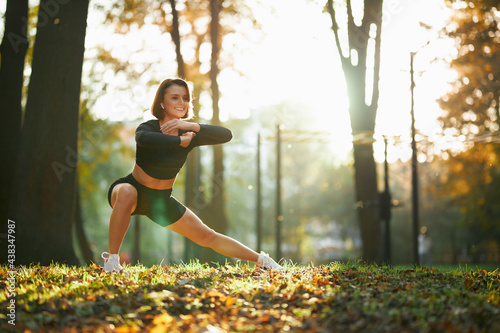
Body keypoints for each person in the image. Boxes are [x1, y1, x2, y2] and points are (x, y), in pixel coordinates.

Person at [101, 78, 282, 274]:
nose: (181, 102)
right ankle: (112, 261)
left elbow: (226, 135)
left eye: (185, 98)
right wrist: (179, 141)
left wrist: (194, 127)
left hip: (160, 200)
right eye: (175, 97)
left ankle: (263, 260)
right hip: (133, 188)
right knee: (127, 191)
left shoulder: (189, 133)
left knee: (207, 236)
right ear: (162, 102)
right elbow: (145, 139)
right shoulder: (149, 127)